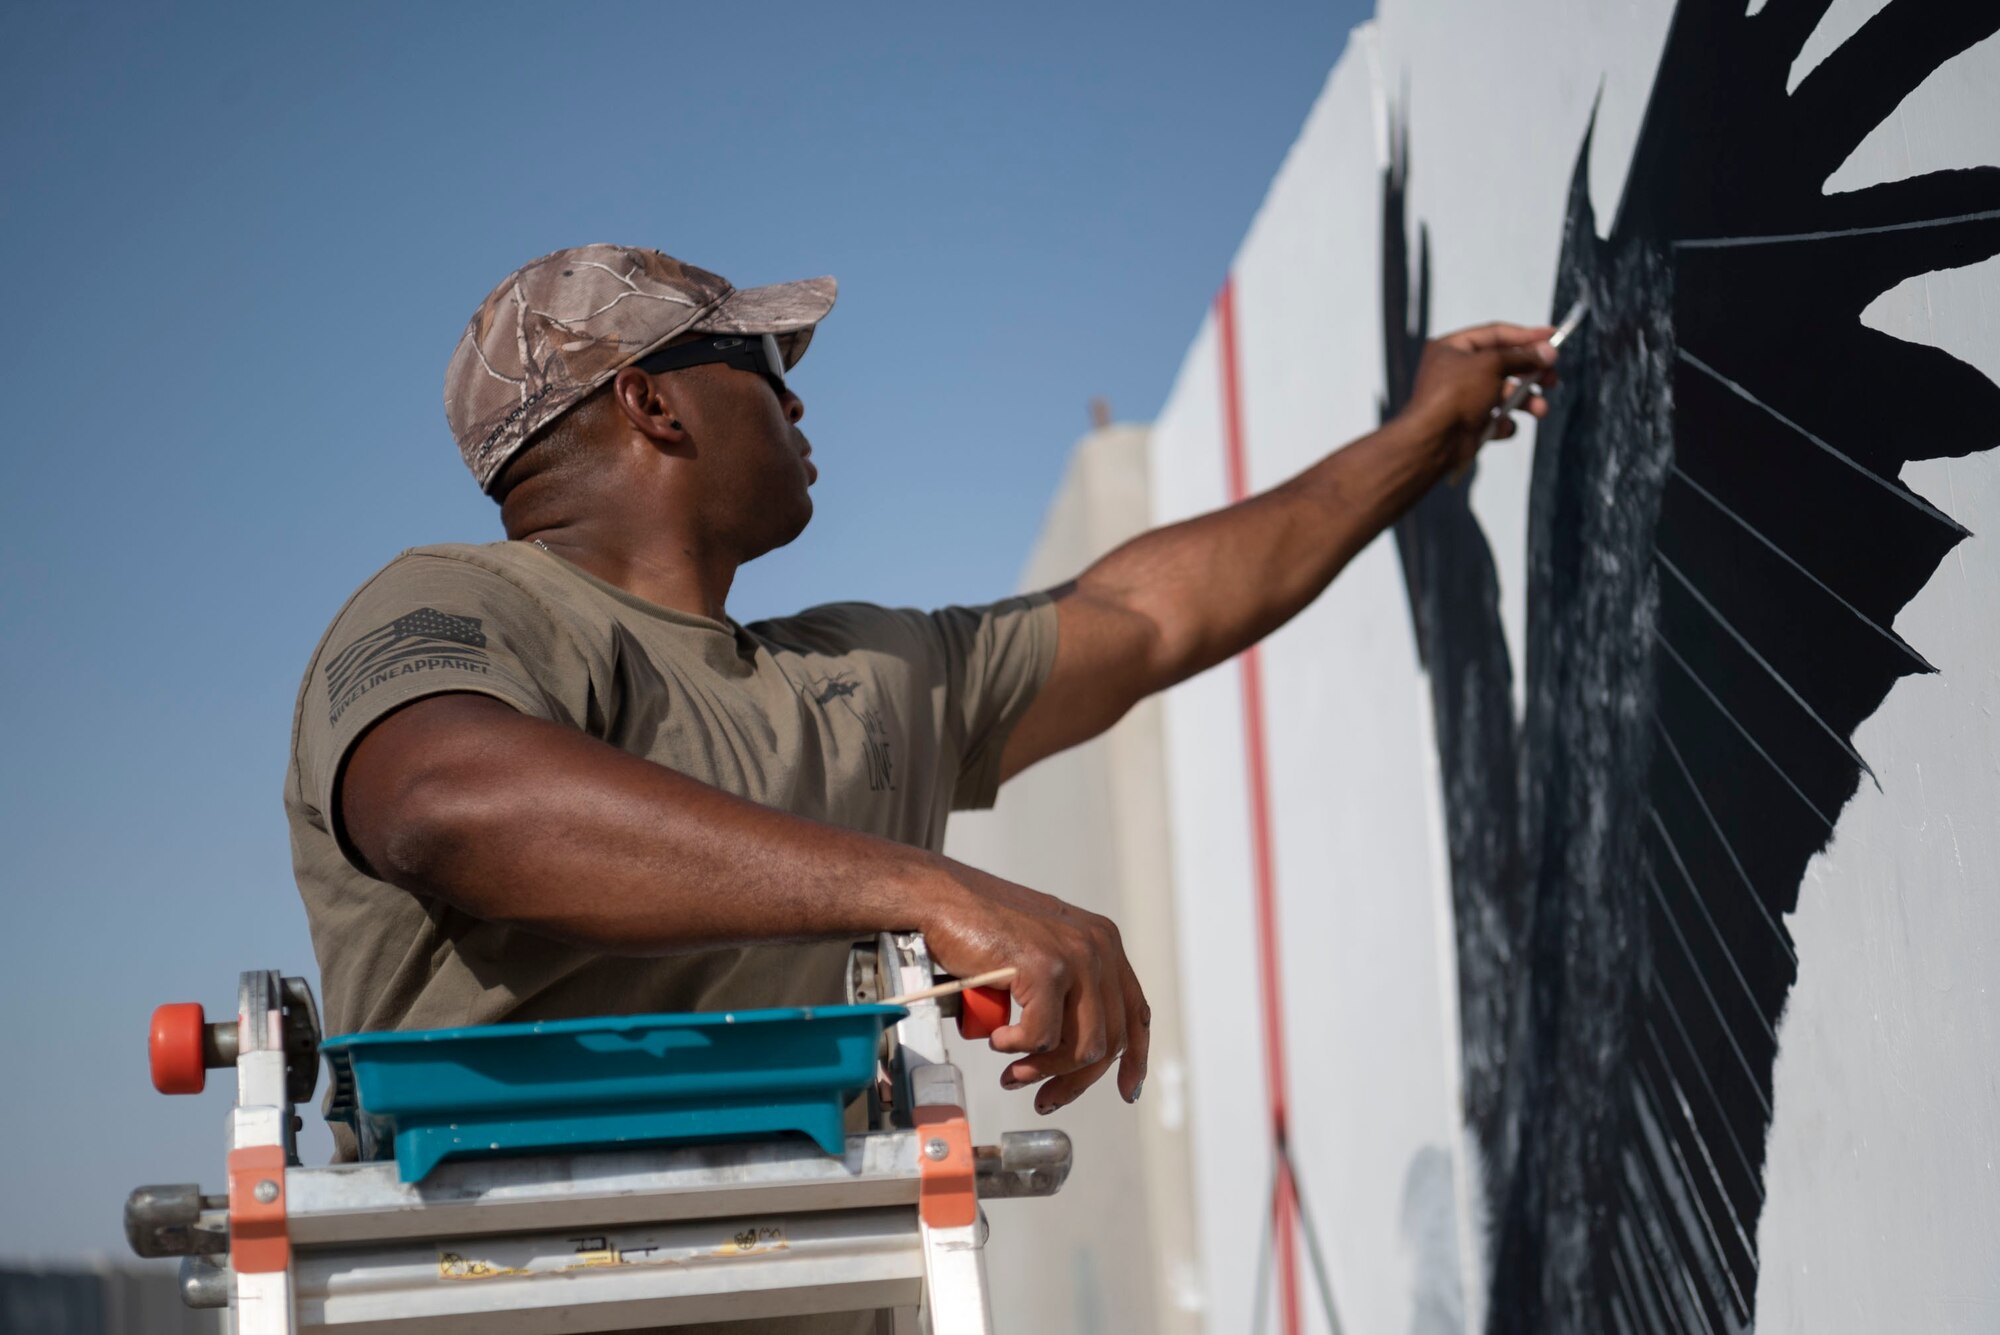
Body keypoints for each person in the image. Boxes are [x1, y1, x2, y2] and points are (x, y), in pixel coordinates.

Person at [286, 242, 1556, 1137]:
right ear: (650, 402)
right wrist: (928, 889)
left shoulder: (861, 671)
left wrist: (1418, 440)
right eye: (759, 361)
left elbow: (1142, 615)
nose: (793, 396)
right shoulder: (460, 604)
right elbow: (446, 802)